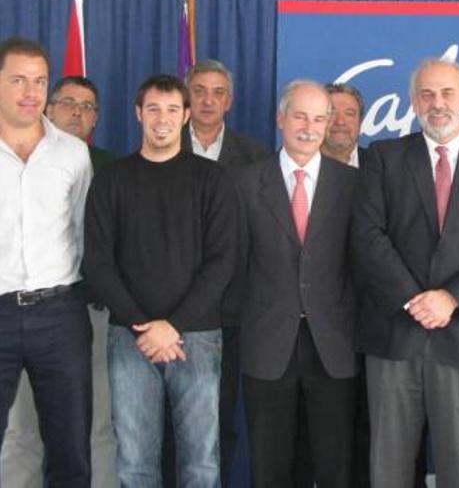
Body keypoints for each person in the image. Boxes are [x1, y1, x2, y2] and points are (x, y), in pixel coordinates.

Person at [351, 57, 459, 488]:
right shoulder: (384, 158)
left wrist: (451, 298)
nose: (437, 103)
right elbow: (368, 236)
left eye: (447, 93)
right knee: (388, 468)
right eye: (427, 94)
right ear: (413, 101)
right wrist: (413, 298)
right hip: (394, 335)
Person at [83, 74, 237, 487]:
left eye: (172, 110)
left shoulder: (213, 179)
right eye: (153, 109)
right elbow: (98, 262)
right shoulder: (112, 180)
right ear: (138, 114)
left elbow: (223, 261)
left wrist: (174, 325)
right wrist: (145, 327)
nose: (163, 119)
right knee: (134, 463)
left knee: (201, 462)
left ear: (186, 116)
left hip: (198, 338)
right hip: (130, 338)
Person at [236, 80, 359, 488]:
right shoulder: (244, 183)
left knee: (334, 465)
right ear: (280, 118)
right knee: (270, 466)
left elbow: (362, 266)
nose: (309, 127)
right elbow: (233, 265)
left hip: (334, 345)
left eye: (319, 118)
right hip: (268, 344)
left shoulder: (353, 185)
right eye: (300, 116)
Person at [1, 75, 118, 488]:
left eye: (87, 107)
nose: (77, 112)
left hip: (85, 310)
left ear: (97, 119)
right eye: (68, 102)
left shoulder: (106, 166)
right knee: (21, 427)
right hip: (17, 306)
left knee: (90, 425)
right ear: (48, 109)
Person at [182, 58, 268, 487]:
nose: (208, 100)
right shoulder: (160, 143)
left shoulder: (254, 156)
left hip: (232, 310)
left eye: (217, 92)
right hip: (171, 310)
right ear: (187, 95)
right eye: (199, 90)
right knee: (169, 422)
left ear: (230, 101)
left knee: (220, 416)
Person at [321, 82, 367, 167]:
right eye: (331, 113)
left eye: (349, 114)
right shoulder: (300, 165)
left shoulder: (379, 166)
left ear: (360, 122)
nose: (340, 122)